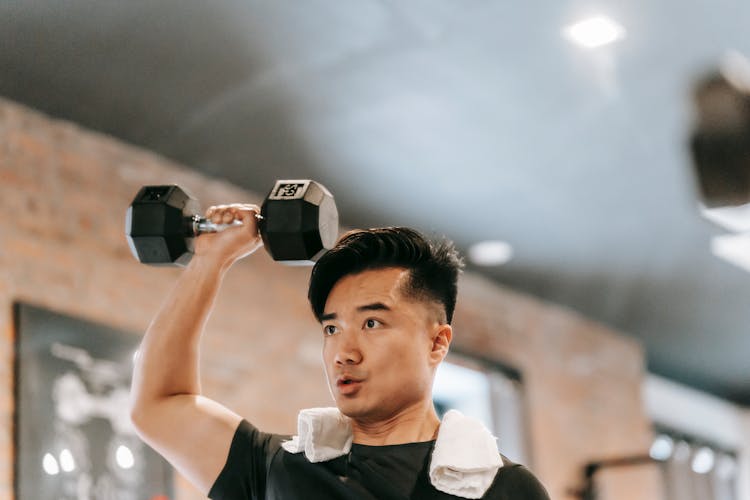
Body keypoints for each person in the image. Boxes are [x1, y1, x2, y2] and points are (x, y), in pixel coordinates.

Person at [130, 203, 550, 500]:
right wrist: (210, 260)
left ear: (436, 343)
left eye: (372, 323)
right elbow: (158, 403)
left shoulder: (502, 489)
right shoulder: (279, 468)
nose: (343, 353)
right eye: (331, 328)